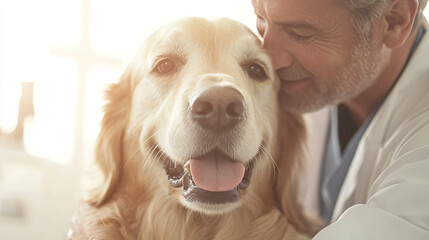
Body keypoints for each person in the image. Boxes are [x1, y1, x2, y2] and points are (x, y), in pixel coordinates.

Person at [252, 0, 429, 239]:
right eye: (261, 19)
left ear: (393, 21)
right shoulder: (315, 89)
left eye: (300, 33)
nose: (268, 60)